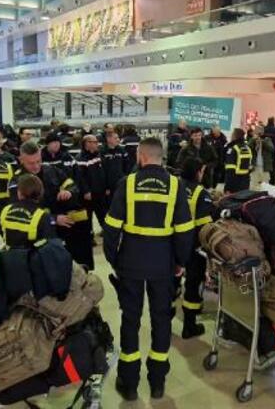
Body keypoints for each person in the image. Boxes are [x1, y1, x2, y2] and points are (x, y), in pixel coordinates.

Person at [103, 137, 194, 401]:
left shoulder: (127, 183)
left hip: (130, 264)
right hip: (163, 265)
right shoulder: (176, 186)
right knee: (161, 320)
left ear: (140, 156)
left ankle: (129, 384)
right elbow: (185, 232)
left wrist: (115, 261)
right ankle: (157, 382)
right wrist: (180, 262)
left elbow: (110, 228)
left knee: (130, 320)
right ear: (160, 157)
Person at [11, 142, 92, 269]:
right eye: (31, 163)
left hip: (63, 229)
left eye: (38, 161)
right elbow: (22, 212)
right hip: (39, 235)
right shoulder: (17, 182)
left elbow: (72, 185)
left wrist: (68, 192)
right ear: (21, 160)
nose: (36, 166)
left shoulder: (51, 171)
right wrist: (53, 219)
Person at [177, 157, 214, 339]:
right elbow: (204, 226)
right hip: (192, 246)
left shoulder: (175, 185)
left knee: (173, 281)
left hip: (172, 242)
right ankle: (189, 325)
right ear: (198, 171)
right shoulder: (201, 193)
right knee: (193, 283)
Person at [1, 174, 57, 249]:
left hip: (8, 257)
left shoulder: (6, 210)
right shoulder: (42, 216)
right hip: (31, 258)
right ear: (40, 192)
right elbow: (49, 243)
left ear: (19, 193)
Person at [75, 134, 109, 229]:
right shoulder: (80, 158)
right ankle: (89, 238)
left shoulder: (98, 156)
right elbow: (80, 177)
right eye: (95, 142)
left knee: (103, 215)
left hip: (100, 192)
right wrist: (86, 191)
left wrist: (106, 187)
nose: (97, 144)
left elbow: (104, 172)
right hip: (89, 194)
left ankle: (107, 234)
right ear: (87, 143)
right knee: (88, 217)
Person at [101, 131, 130, 205]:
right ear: (108, 139)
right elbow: (101, 171)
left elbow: (127, 165)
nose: (118, 140)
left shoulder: (121, 150)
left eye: (118, 138)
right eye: (116, 138)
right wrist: (105, 187)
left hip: (121, 183)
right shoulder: (102, 152)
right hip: (108, 187)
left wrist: (125, 178)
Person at [224, 128, 252, 194]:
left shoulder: (232, 149)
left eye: (232, 135)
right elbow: (249, 167)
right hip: (245, 183)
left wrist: (227, 187)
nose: (231, 136)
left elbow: (230, 169)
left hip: (234, 184)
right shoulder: (247, 148)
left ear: (235, 136)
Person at [263, 117, 275, 184]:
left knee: (265, 165)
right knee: (273, 165)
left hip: (265, 150)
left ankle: (265, 180)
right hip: (274, 149)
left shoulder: (264, 129)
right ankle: (273, 180)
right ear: (273, 121)